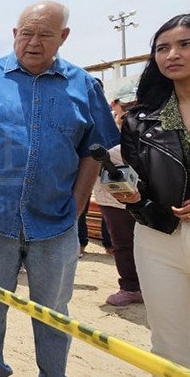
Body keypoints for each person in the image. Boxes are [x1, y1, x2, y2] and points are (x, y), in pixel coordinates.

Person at [0, 1, 119, 376]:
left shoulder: (84, 86)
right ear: (14, 34)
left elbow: (94, 149)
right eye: (26, 33)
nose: (33, 42)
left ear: (63, 38)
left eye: (45, 35)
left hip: (55, 221)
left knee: (54, 310)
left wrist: (79, 200)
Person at [117, 13, 190, 367]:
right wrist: (133, 198)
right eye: (162, 48)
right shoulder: (139, 120)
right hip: (159, 237)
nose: (171, 54)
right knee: (169, 346)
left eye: (184, 45)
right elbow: (139, 181)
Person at [93, 82, 142, 306]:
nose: (131, 110)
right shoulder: (103, 127)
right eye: (127, 106)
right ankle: (130, 287)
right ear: (115, 105)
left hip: (148, 194)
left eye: (135, 105)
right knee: (123, 243)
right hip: (112, 198)